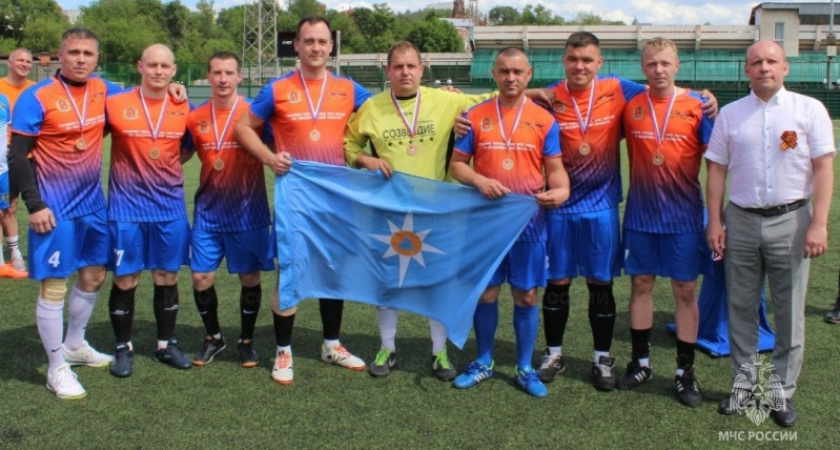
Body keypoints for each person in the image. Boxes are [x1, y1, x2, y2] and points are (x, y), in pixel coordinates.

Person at [344, 40, 495, 380]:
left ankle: (439, 352)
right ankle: (387, 347)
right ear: (387, 70)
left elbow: (495, 100)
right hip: (390, 212)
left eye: (411, 66)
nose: (405, 72)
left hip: (437, 212)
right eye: (398, 66)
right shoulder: (371, 107)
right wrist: (366, 159)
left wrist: (543, 95)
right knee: (388, 282)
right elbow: (348, 144)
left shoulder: (447, 100)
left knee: (437, 282)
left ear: (422, 69)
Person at [706, 40, 835, 427]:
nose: (764, 67)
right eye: (756, 62)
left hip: (792, 221)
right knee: (741, 308)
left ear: (785, 67)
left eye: (771, 61)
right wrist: (714, 220)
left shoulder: (809, 109)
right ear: (746, 70)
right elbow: (716, 170)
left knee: (790, 311)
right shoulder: (731, 114)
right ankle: (744, 387)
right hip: (741, 221)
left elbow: (824, 168)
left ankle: (781, 391)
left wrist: (819, 223)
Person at [234, 16, 369, 385]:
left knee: (333, 270)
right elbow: (243, 128)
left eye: (322, 41)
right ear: (296, 45)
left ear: (331, 46)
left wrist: (444, 99)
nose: (315, 48)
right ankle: (283, 350)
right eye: (308, 41)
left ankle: (331, 344)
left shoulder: (349, 88)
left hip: (337, 199)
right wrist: (269, 157)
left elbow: (389, 111)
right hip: (296, 198)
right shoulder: (277, 89)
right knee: (290, 270)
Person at [449, 47, 570, 398]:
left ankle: (525, 367)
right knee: (487, 292)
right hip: (485, 221)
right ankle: (484, 362)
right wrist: (479, 181)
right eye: (504, 71)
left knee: (527, 295)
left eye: (517, 72)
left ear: (529, 74)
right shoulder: (474, 116)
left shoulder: (544, 120)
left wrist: (562, 189)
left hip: (528, 220)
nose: (511, 78)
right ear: (494, 74)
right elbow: (457, 165)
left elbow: (555, 169)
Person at [9, 29, 121, 399]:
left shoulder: (105, 90)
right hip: (54, 207)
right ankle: (56, 368)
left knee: (94, 275)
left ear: (97, 58)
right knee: (55, 283)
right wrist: (35, 204)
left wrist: (174, 90)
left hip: (93, 204)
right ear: (60, 54)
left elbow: (144, 97)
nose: (81, 59)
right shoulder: (37, 96)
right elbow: (17, 155)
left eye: (88, 53)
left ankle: (74, 344)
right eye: (74, 52)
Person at [616, 38, 714, 408]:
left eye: (665, 63)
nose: (658, 70)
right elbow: (583, 82)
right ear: (642, 68)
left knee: (685, 290)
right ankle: (640, 363)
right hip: (641, 215)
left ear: (678, 66)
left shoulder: (699, 105)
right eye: (652, 64)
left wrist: (717, 216)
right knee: (641, 284)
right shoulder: (630, 101)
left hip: (684, 216)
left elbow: (716, 164)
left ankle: (685, 372)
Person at [105, 43, 193, 378]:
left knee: (167, 276)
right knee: (126, 278)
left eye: (164, 66)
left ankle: (165, 345)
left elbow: (187, 149)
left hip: (169, 208)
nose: (158, 71)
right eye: (152, 65)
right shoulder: (115, 103)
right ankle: (122, 348)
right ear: (140, 66)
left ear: (174, 70)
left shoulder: (183, 106)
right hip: (126, 209)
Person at [184, 52, 274, 368]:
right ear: (208, 76)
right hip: (208, 212)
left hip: (249, 212)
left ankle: (246, 342)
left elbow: (279, 148)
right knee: (201, 277)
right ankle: (214, 338)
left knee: (249, 278)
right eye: (217, 73)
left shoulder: (255, 114)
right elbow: (180, 155)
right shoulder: (194, 117)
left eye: (229, 73)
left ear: (239, 77)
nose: (223, 79)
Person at [0, 48, 36, 278]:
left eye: (28, 61)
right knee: (7, 206)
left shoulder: (35, 89)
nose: (24, 64)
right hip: (6, 157)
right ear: (9, 63)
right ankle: (14, 255)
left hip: (33, 156)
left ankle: (41, 251)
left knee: (41, 204)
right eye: (20, 60)